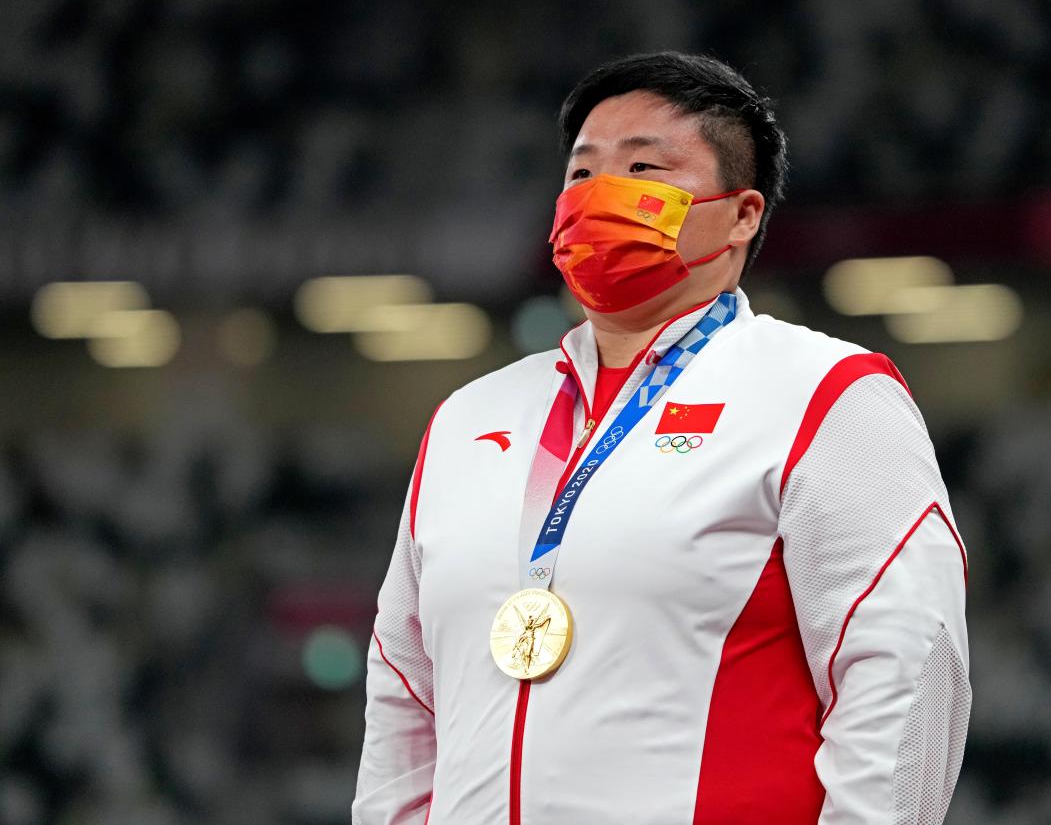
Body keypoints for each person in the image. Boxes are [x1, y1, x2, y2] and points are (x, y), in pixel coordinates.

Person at [353, 52, 970, 825]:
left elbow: (907, 674)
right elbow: (403, 696)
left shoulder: (826, 395)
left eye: (643, 168)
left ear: (743, 214)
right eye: (582, 176)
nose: (601, 195)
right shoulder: (467, 420)